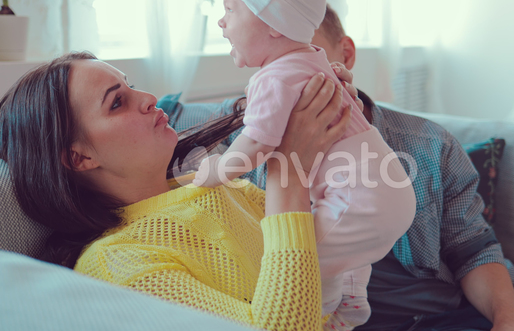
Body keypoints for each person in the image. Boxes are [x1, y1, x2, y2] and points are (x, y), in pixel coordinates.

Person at [178, 4, 514, 331]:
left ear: (338, 57)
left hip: (445, 312)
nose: (299, 80)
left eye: (305, 59)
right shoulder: (246, 127)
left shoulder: (429, 144)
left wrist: (508, 320)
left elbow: (475, 249)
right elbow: (162, 130)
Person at [0, 51, 363, 331]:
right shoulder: (119, 264)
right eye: (117, 102)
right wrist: (288, 170)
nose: (148, 97)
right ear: (79, 157)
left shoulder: (205, 183)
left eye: (131, 85)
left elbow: (311, 248)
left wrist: (336, 128)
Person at [191, 0, 416, 329]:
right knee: (337, 247)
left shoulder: (273, 79)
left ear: (273, 24)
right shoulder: (313, 60)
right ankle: (352, 303)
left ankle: (321, 317)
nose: (222, 22)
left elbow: (257, 143)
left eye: (231, 9)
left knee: (299, 258)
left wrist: (216, 170)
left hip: (360, 198)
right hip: (386, 189)